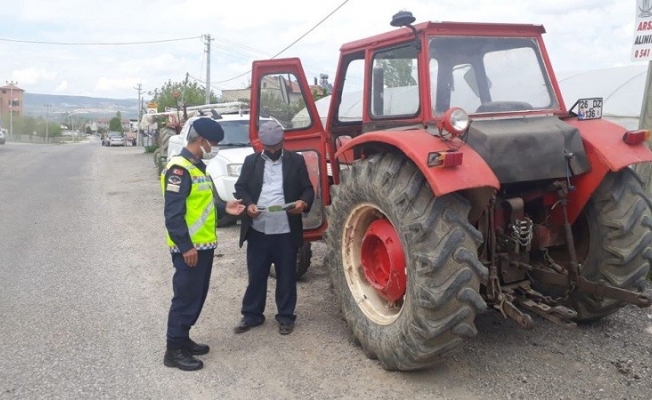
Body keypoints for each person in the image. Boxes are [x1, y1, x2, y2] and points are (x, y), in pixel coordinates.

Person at [161, 118, 245, 371]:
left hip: (204, 246)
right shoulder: (180, 169)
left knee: (196, 296)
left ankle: (183, 339)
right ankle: (173, 350)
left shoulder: (197, 167)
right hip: (189, 249)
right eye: (214, 142)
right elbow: (173, 215)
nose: (215, 147)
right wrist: (186, 246)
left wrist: (225, 208)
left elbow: (202, 206)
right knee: (185, 298)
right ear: (201, 140)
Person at [233, 121, 315, 335]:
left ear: (282, 142)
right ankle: (252, 315)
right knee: (256, 275)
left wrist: (303, 204)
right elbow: (240, 187)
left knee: (286, 276)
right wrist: (249, 204)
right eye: (267, 149)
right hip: (258, 229)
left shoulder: (295, 161)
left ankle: (286, 316)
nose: (271, 152)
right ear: (261, 144)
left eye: (275, 148)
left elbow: (307, 189)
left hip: (285, 231)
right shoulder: (251, 162)